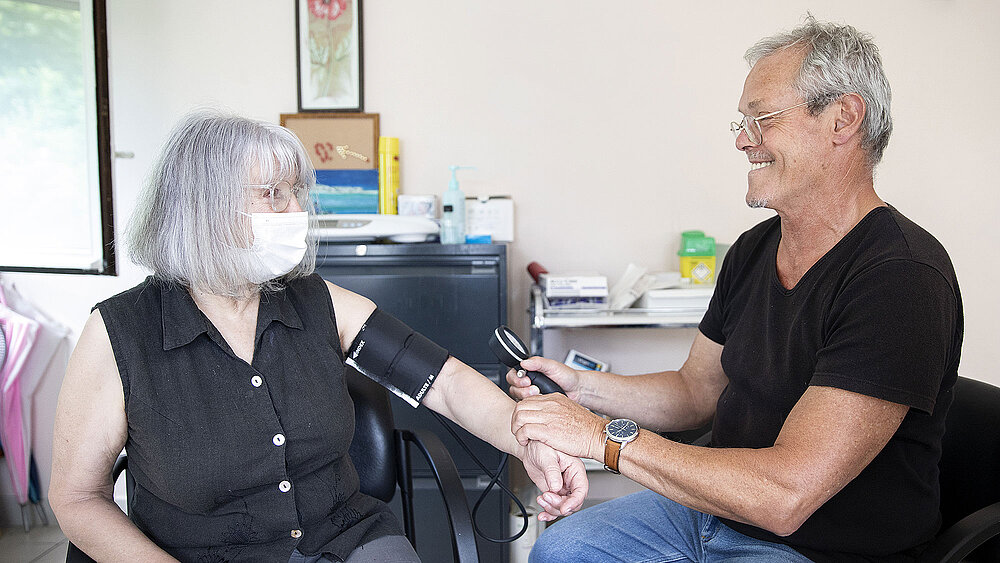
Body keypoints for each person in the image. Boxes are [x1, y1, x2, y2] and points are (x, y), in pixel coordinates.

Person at [507, 16, 963, 563]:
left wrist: (601, 437)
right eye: (741, 123)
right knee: (563, 550)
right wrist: (580, 390)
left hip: (823, 547)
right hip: (715, 516)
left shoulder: (900, 277)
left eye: (762, 119)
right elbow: (697, 392)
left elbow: (784, 495)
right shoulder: (754, 249)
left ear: (842, 118)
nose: (745, 140)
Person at [48, 109, 587, 563]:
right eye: (272, 194)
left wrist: (527, 442)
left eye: (296, 194)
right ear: (203, 208)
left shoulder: (318, 301)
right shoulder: (120, 333)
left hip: (347, 544)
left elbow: (444, 383)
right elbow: (77, 499)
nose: (296, 211)